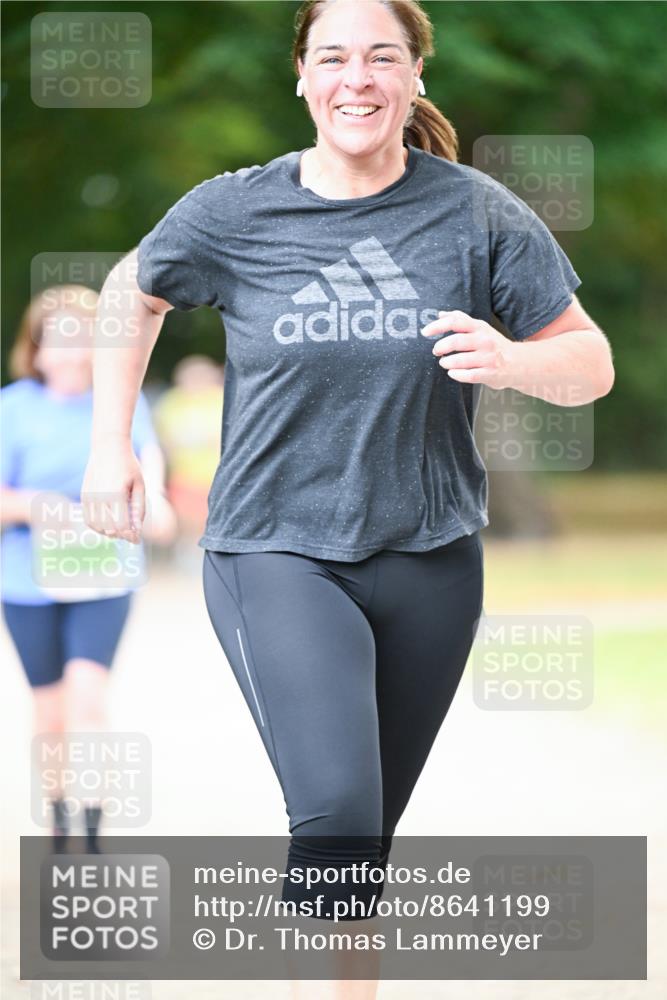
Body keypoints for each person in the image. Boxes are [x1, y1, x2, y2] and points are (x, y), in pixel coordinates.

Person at [80, 1, 614, 996]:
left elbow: (589, 362)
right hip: (276, 549)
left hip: (432, 562)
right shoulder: (236, 210)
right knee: (334, 810)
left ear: (414, 77)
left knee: (362, 841)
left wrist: (510, 359)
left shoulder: (477, 213)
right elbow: (132, 289)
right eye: (332, 57)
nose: (355, 77)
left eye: (381, 56)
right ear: (300, 77)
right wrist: (111, 444)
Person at [0, 284, 177, 854]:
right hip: (26, 584)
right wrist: (43, 508)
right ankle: (57, 819)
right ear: (39, 346)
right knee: (50, 713)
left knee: (89, 699)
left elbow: (150, 481)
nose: (74, 351)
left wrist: (156, 511)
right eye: (61, 338)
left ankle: (94, 834)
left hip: (103, 579)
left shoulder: (123, 403)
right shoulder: (11, 409)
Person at [151, 355, 224, 571]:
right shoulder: (173, 401)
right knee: (186, 518)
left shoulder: (219, 398)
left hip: (214, 473)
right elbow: (163, 436)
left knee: (209, 516)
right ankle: (188, 555)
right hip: (184, 473)